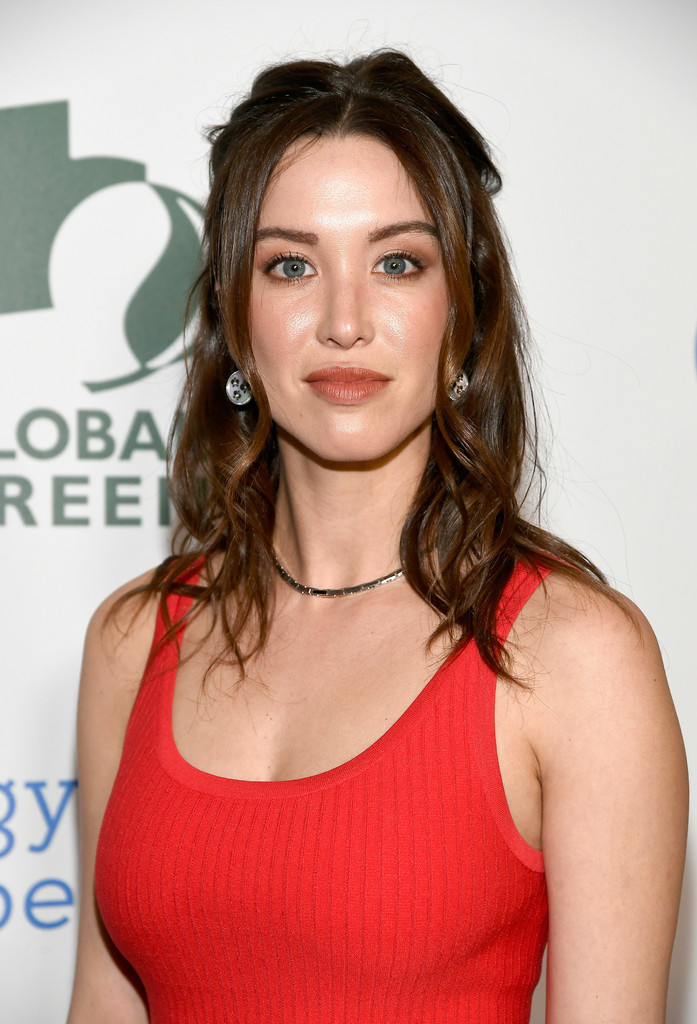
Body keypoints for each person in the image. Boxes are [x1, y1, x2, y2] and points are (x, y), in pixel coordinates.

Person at [68, 50, 688, 1024]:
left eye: (397, 262)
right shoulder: (133, 638)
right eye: (290, 265)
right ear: (235, 317)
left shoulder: (574, 656)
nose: (344, 320)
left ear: (462, 312)